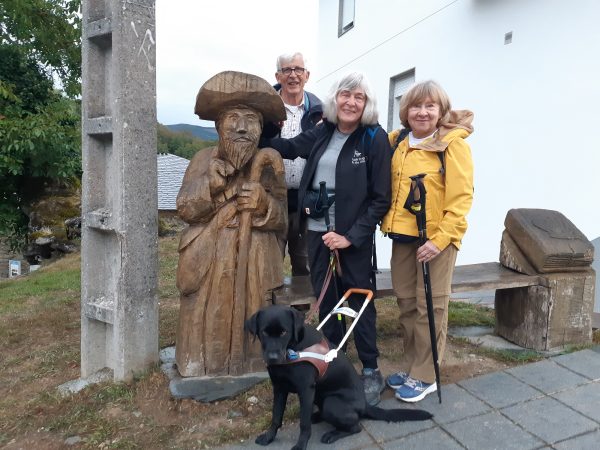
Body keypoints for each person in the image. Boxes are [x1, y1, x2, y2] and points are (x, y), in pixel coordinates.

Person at [263, 72, 391, 405]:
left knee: (359, 304)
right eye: (345, 95)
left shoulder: (373, 138)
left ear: (367, 104)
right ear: (335, 100)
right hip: (319, 235)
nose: (350, 102)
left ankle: (370, 369)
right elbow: (289, 149)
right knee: (328, 301)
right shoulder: (323, 131)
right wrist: (263, 130)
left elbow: (380, 198)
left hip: (352, 239)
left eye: (358, 97)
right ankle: (333, 358)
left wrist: (350, 237)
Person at [175, 71, 288, 377]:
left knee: (255, 311)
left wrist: (265, 205)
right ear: (218, 125)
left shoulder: (268, 165)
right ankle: (204, 362)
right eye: (233, 118)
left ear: (260, 127)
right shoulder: (202, 159)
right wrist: (209, 186)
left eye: (250, 119)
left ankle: (253, 359)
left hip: (255, 260)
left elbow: (284, 220)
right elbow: (184, 208)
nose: (241, 127)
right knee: (211, 315)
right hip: (211, 259)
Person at [380, 80, 474, 402]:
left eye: (430, 106)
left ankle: (427, 374)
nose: (422, 112)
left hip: (436, 239)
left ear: (440, 111)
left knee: (430, 306)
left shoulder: (452, 145)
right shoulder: (396, 142)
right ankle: (411, 365)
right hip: (403, 236)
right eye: (416, 106)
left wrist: (441, 238)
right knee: (406, 303)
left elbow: (461, 199)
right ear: (405, 111)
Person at [273, 52, 323, 276]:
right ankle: (267, 311)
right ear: (278, 76)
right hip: (271, 199)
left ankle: (303, 311)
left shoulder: (320, 112)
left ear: (307, 75)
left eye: (298, 70)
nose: (293, 75)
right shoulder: (265, 110)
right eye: (287, 70)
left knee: (306, 265)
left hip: (306, 201)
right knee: (268, 262)